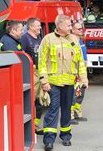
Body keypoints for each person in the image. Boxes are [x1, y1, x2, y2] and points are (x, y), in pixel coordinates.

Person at [39, 15, 88, 150]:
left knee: (67, 111)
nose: (70, 28)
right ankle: (49, 140)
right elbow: (42, 62)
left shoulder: (73, 40)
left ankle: (66, 136)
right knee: (52, 110)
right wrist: (44, 81)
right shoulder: (48, 39)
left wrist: (84, 79)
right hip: (53, 83)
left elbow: (80, 62)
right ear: (59, 26)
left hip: (69, 83)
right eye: (68, 25)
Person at [20, 18, 45, 135]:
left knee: (40, 101)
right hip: (31, 74)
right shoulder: (25, 38)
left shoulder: (38, 38)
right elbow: (21, 57)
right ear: (31, 27)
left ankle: (36, 125)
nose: (40, 28)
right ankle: (27, 128)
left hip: (41, 73)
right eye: (38, 26)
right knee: (31, 100)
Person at [70, 21, 89, 125]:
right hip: (75, 72)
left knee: (80, 93)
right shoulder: (71, 42)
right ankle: (70, 116)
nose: (81, 30)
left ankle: (77, 113)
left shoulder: (80, 41)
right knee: (73, 94)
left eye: (81, 28)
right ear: (72, 30)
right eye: (79, 29)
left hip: (82, 70)